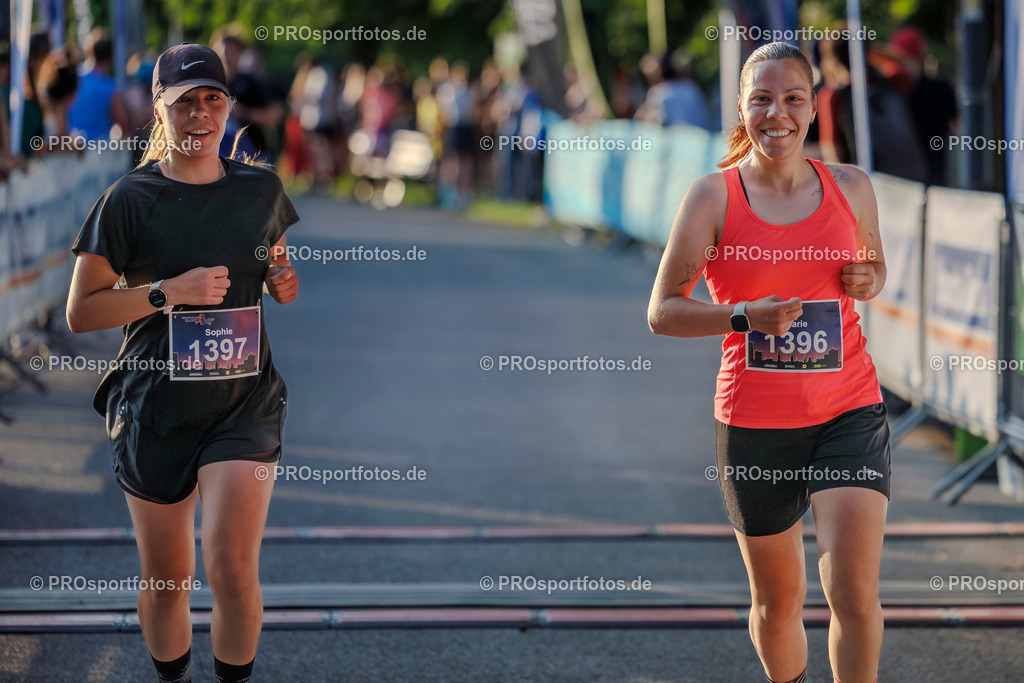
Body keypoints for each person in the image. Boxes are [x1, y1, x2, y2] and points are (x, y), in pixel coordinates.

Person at [648, 42, 889, 683]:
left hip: (849, 409)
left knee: (853, 592)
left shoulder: (850, 187)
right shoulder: (713, 198)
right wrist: (742, 316)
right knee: (778, 601)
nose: (776, 113)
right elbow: (664, 310)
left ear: (813, 107)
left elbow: (873, 267)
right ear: (741, 107)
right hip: (756, 423)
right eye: (762, 98)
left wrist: (869, 280)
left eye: (792, 98)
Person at [66, 43, 300, 683]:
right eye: (184, 102)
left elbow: (276, 266)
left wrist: (282, 279)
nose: (200, 115)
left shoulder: (261, 189)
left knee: (230, 566)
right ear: (160, 110)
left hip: (243, 405)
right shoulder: (129, 200)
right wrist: (170, 292)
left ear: (228, 106)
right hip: (155, 407)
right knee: (170, 579)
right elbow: (81, 312)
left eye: (212, 100)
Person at [67, 29, 131, 140]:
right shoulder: (110, 88)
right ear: (110, 58)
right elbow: (123, 122)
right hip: (98, 150)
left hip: (70, 147)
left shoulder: (72, 79)